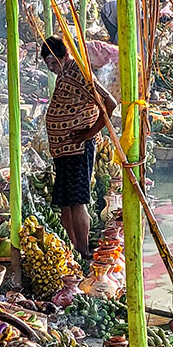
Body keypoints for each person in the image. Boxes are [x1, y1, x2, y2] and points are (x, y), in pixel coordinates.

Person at [40, 36, 116, 259]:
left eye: (54, 63)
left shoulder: (80, 72)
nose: (52, 69)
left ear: (65, 56)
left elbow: (109, 103)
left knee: (77, 200)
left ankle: (83, 251)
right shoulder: (66, 73)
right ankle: (72, 248)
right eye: (48, 65)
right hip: (63, 150)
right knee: (65, 202)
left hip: (77, 150)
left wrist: (89, 134)